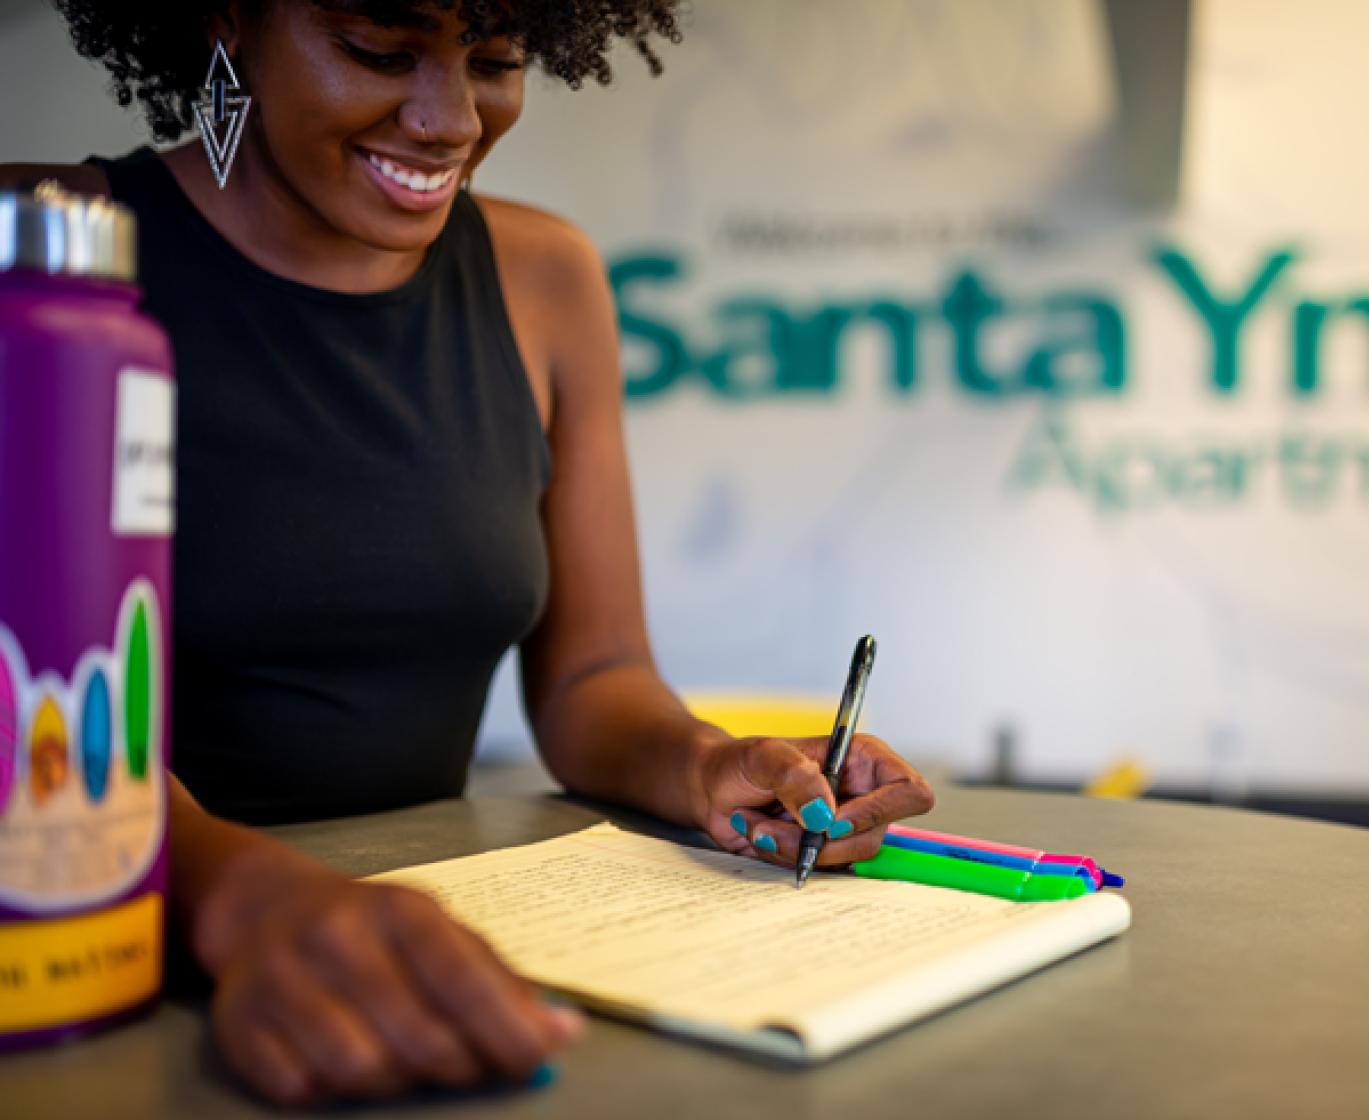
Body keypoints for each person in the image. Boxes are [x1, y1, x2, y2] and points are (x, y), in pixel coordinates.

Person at [3, 0, 935, 1106]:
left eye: (494, 60)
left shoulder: (545, 278)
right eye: (378, 51)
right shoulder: (42, 247)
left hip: (414, 946)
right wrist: (255, 897)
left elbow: (594, 679)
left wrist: (704, 765)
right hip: (89, 952)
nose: (450, 119)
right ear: (227, 18)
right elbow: (28, 708)